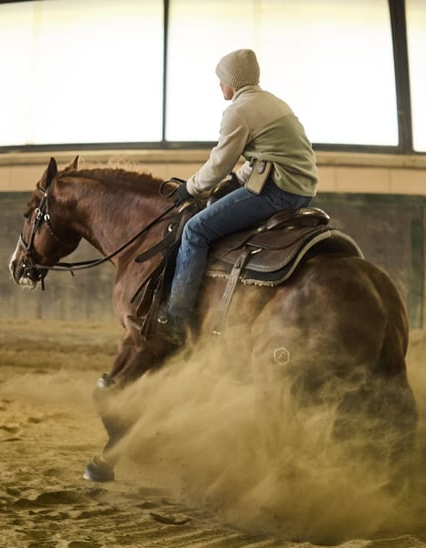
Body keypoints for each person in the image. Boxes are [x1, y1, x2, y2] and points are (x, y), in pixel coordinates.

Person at [136, 48, 319, 345]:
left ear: (233, 82)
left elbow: (219, 162)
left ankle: (176, 318)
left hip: (277, 191)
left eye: (221, 79)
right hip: (301, 189)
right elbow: (266, 154)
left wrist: (190, 188)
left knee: (196, 230)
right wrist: (238, 179)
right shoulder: (273, 103)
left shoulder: (238, 110)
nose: (219, 85)